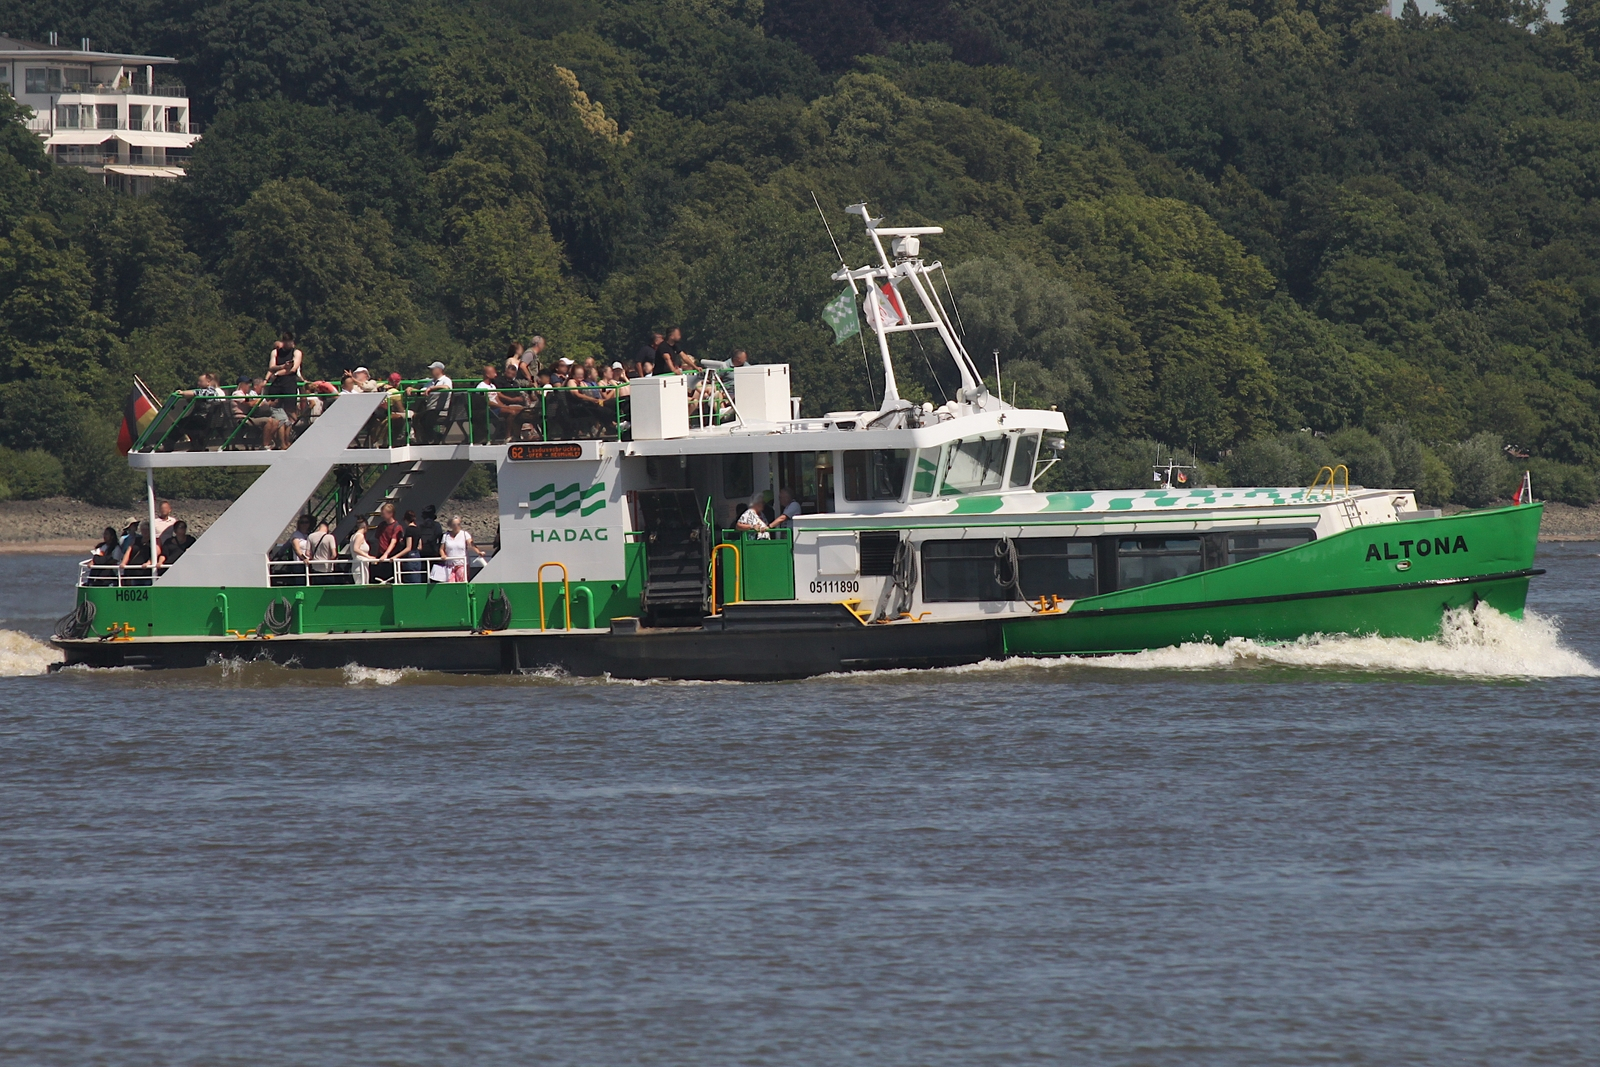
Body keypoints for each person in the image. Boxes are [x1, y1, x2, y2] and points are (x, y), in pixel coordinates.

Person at [439, 514, 485, 583]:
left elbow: (471, 544)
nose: (456, 526)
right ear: (450, 525)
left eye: (458, 524)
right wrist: (443, 555)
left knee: (461, 583)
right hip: (450, 565)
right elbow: (441, 549)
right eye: (454, 525)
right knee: (450, 583)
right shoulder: (446, 536)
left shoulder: (464, 534)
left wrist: (478, 552)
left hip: (462, 564)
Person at [265, 332, 303, 398]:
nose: (288, 343)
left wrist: (277, 373)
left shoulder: (296, 352)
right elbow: (271, 367)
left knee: (289, 403)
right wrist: (283, 366)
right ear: (283, 341)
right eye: (286, 341)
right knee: (271, 402)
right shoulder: (275, 352)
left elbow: (293, 369)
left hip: (289, 384)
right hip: (276, 383)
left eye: (290, 341)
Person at [121, 520, 156, 584]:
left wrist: (148, 563)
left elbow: (156, 554)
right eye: (143, 530)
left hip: (146, 573)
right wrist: (123, 563)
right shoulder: (136, 540)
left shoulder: (153, 542)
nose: (145, 531)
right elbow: (128, 551)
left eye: (147, 529)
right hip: (134, 572)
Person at [348, 516, 378, 583]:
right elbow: (356, 548)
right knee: (362, 583)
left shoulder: (353, 536)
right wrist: (368, 557)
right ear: (365, 527)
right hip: (360, 564)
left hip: (358, 563)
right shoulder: (360, 536)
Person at [308, 520, 339, 585]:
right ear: (327, 528)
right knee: (329, 588)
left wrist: (312, 558)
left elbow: (307, 553)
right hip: (327, 568)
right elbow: (334, 554)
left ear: (319, 527)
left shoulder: (311, 536)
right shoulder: (330, 537)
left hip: (315, 567)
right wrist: (330, 561)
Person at [399, 509, 424, 584]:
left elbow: (408, 547)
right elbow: (420, 547)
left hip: (410, 557)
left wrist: (396, 556)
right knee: (417, 578)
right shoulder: (418, 529)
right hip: (417, 556)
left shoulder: (409, 530)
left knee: (409, 579)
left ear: (406, 519)